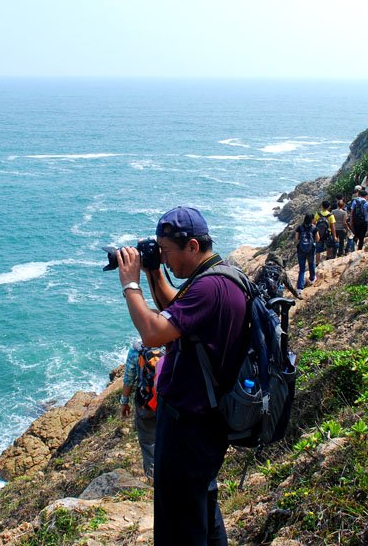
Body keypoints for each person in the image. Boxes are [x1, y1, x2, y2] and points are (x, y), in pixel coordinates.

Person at [116, 206, 247, 546]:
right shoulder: (220, 276)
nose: (165, 258)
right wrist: (152, 271)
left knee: (179, 526)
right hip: (205, 421)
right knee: (200, 510)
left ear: (191, 246)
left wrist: (130, 284)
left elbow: (153, 332)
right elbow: (178, 312)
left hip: (189, 425)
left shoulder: (209, 288)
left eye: (167, 251)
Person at [121, 340, 163, 479]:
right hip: (169, 404)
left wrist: (124, 402)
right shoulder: (172, 344)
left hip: (145, 403)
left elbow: (129, 379)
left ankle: (153, 479)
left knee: (148, 442)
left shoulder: (136, 350)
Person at [294, 214, 318, 291]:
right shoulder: (314, 228)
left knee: (302, 269)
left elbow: (296, 238)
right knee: (311, 264)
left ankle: (299, 288)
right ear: (312, 219)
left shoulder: (300, 227)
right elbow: (318, 239)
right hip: (311, 250)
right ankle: (312, 279)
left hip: (301, 250)